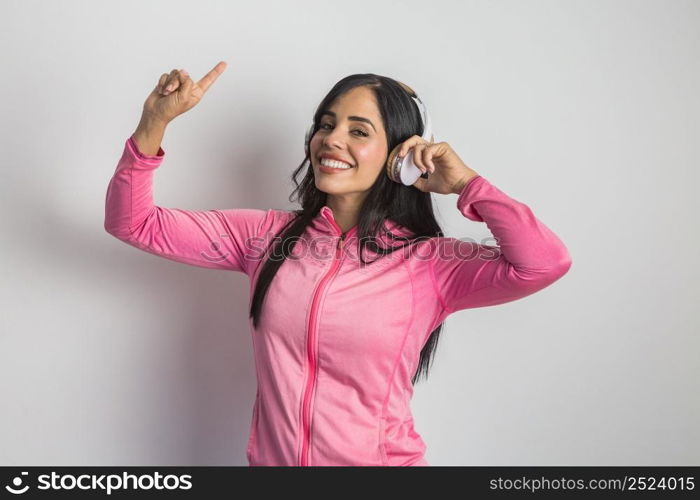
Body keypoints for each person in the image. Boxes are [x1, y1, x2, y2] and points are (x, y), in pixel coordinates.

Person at [104, 61, 572, 466]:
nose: (332, 140)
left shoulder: (431, 262)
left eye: (359, 131)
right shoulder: (266, 237)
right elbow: (134, 223)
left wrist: (467, 184)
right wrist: (153, 124)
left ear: (401, 155)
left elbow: (543, 264)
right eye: (326, 125)